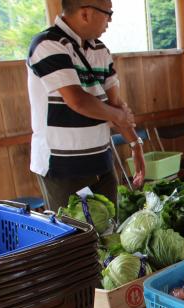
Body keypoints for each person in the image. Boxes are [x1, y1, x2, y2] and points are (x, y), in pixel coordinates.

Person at [26, 0, 145, 211]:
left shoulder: (100, 50)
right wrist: (117, 116)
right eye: (108, 13)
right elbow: (77, 100)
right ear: (85, 14)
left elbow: (115, 104)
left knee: (110, 232)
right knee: (75, 237)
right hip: (62, 167)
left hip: (101, 160)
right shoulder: (47, 44)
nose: (109, 21)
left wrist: (135, 145)